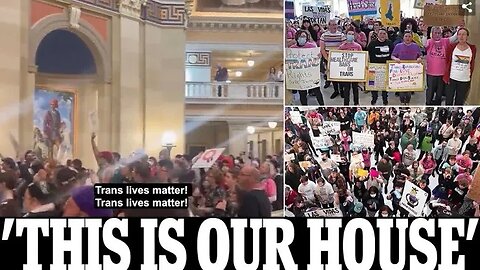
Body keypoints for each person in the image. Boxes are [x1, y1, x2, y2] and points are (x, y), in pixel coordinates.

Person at [422, 26, 458, 105]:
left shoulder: (445, 41)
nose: (437, 35)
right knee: (430, 90)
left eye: (439, 33)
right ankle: (428, 103)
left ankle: (438, 103)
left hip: (442, 72)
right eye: (435, 33)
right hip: (431, 72)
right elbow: (424, 44)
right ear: (432, 34)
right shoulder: (429, 41)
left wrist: (459, 27)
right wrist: (424, 33)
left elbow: (455, 38)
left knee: (440, 91)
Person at [289, 30, 324, 105]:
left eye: (304, 36)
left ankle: (322, 105)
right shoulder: (292, 49)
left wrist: (319, 56)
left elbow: (317, 58)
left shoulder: (312, 46)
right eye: (301, 36)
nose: (302, 38)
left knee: (317, 91)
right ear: (297, 37)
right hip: (300, 76)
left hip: (311, 74)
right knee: (302, 93)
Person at [443, 28, 477, 105]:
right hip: (451, 78)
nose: (461, 36)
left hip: (464, 79)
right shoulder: (451, 47)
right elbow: (447, 61)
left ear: (467, 36)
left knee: (459, 100)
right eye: (459, 34)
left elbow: (472, 63)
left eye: (463, 34)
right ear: (457, 36)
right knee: (448, 100)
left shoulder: (472, 48)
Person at [391, 30, 423, 105]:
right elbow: (392, 56)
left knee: (409, 89)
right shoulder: (398, 46)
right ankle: (402, 102)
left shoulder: (416, 46)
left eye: (409, 36)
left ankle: (408, 102)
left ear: (412, 37)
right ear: (403, 37)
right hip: (401, 71)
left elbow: (420, 55)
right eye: (406, 36)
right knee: (402, 89)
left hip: (412, 71)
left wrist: (419, 58)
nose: (408, 38)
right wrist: (396, 59)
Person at [319, 20, 346, 99]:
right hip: (328, 59)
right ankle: (336, 90)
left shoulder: (341, 35)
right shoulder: (324, 35)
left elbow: (344, 47)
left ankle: (341, 91)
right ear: (329, 26)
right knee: (332, 76)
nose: (334, 26)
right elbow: (322, 49)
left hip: (339, 59)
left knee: (340, 76)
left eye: (335, 24)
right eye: (333, 25)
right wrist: (327, 59)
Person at [367, 28, 394, 105]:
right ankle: (374, 98)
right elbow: (368, 54)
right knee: (373, 85)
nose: (382, 35)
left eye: (384, 34)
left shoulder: (389, 43)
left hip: (386, 68)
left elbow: (392, 54)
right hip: (374, 68)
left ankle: (385, 99)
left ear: (386, 35)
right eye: (381, 33)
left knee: (385, 85)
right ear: (377, 34)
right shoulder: (372, 44)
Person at [338, 27, 363, 105]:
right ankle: (346, 103)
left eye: (352, 34)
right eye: (349, 34)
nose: (351, 35)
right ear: (346, 35)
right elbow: (338, 58)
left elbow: (361, 57)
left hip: (354, 71)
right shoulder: (342, 47)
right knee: (346, 89)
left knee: (355, 88)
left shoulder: (358, 46)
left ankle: (356, 103)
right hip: (346, 72)